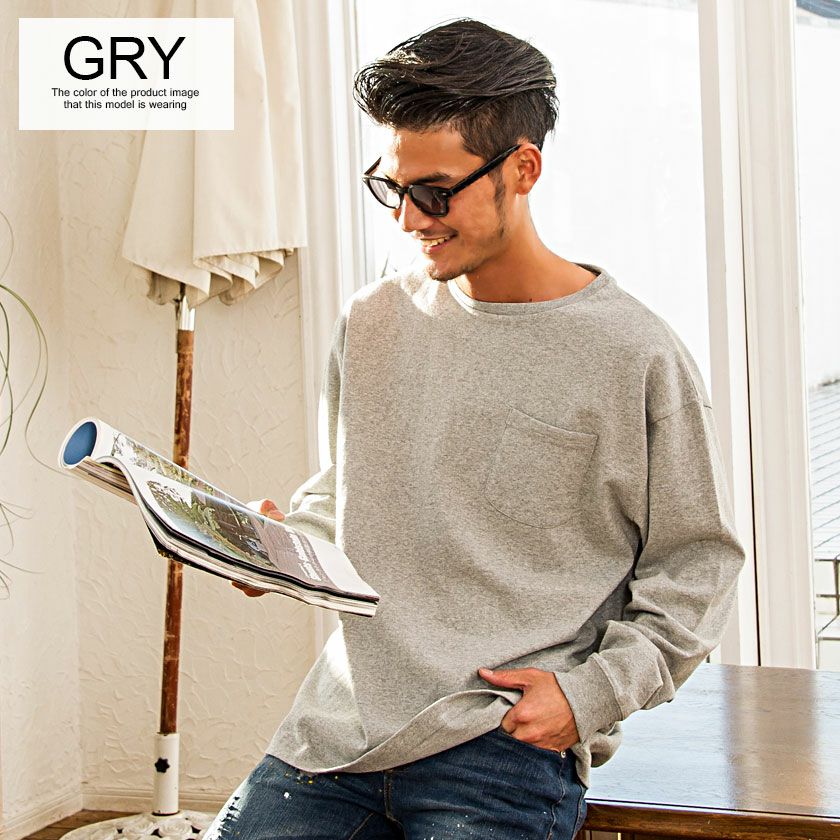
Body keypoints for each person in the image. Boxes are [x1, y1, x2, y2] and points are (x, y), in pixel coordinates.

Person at [207, 18, 745, 840]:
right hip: (339, 730)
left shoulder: (634, 353)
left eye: (434, 192)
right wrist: (279, 548)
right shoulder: (372, 322)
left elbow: (698, 562)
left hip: (499, 744)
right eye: (391, 188)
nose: (407, 219)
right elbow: (348, 494)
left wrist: (589, 695)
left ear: (522, 169)